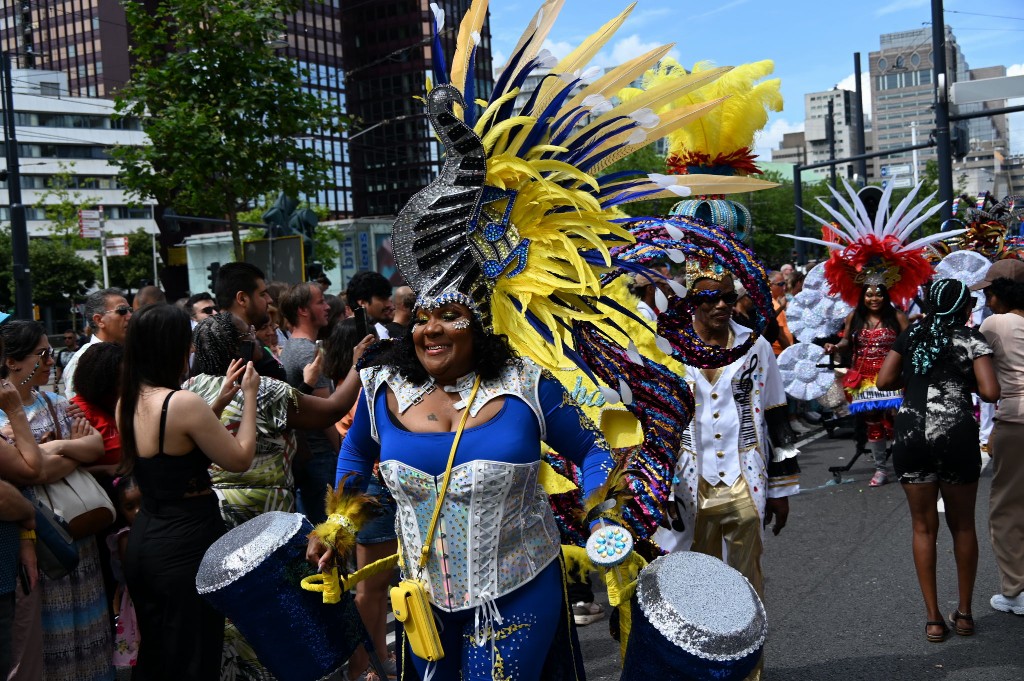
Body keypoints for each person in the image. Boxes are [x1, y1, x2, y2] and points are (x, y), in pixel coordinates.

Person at [309, 301, 617, 680]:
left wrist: (601, 515)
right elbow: (356, 451)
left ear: (480, 324)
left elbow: (594, 448)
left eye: (450, 316)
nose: (431, 329)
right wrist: (338, 524)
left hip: (518, 586)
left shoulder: (527, 384)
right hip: (424, 599)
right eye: (422, 319)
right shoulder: (383, 388)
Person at [186, 311, 369, 681]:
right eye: (248, 334)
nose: (255, 337)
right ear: (238, 346)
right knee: (280, 608)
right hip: (266, 519)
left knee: (236, 606)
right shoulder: (265, 390)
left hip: (215, 513)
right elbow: (331, 410)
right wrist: (357, 364)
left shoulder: (189, 390)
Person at [656, 262, 799, 681]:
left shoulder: (755, 346)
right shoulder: (667, 347)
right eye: (708, 297)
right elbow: (655, 424)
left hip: (744, 477)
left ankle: (746, 671)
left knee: (745, 585)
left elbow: (776, 413)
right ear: (690, 300)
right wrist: (657, 490)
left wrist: (781, 489)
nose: (720, 304)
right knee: (691, 586)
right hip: (687, 483)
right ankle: (700, 670)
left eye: (726, 295)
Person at [116, 304, 258, 680]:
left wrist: (220, 401)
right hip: (186, 542)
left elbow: (173, 449)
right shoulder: (183, 403)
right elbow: (240, 458)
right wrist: (250, 399)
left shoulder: (128, 401)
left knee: (161, 653)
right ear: (173, 347)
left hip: (147, 537)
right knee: (194, 655)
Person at [876, 278, 999, 642]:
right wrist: (965, 381)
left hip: (912, 433)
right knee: (963, 526)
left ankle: (932, 619)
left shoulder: (911, 334)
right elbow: (991, 392)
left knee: (922, 527)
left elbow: (884, 380)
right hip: (956, 434)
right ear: (963, 308)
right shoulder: (971, 338)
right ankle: (964, 614)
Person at [0, 320, 110, 681]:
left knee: (87, 623)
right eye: (42, 354)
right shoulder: (4, 417)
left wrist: (55, 448)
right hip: (41, 536)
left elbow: (95, 446)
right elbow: (30, 473)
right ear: (12, 361)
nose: (51, 361)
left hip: (79, 533)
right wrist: (67, 454)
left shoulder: (54, 400)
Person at [975, 259, 1024, 616]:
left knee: (1007, 508)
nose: (988, 301)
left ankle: (1017, 589)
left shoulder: (996, 324)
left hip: (1016, 420)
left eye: (990, 293)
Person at [824, 284, 908, 486]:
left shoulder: (898, 317)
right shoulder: (854, 317)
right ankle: (881, 470)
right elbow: (846, 342)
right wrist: (835, 346)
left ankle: (906, 464)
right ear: (862, 297)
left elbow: (910, 344)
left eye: (879, 294)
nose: (874, 299)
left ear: (886, 295)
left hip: (893, 377)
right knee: (873, 423)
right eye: (869, 295)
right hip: (864, 379)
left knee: (901, 422)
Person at [214, 262, 286, 381]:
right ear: (242, 299)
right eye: (262, 294)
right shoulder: (228, 346)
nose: (269, 300)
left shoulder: (248, 339)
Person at [63, 288, 132, 399]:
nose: (129, 316)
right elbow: (77, 408)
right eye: (122, 311)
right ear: (99, 320)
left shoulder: (135, 352)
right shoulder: (81, 361)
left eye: (130, 310)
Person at [107, 475, 141, 671]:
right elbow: (132, 573)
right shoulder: (125, 537)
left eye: (141, 504)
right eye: (130, 507)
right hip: (137, 598)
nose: (137, 511)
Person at [345, 271, 399, 339]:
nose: (389, 305)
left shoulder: (381, 331)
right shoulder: (348, 334)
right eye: (382, 299)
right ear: (362, 303)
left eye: (388, 298)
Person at [768, 270, 793, 355]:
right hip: (778, 353)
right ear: (770, 285)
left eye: (784, 283)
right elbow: (780, 335)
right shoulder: (773, 304)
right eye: (781, 284)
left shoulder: (777, 302)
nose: (784, 287)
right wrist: (790, 353)